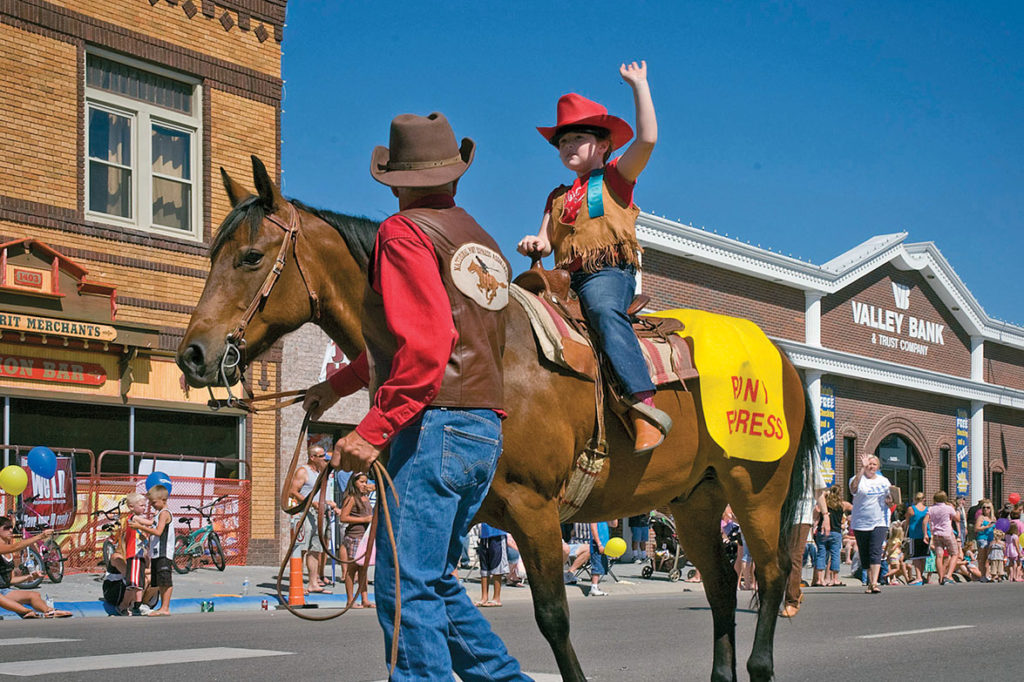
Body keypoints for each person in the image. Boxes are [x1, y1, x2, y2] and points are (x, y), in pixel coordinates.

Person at [302, 112, 527, 680]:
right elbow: (438, 338)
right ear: (454, 174)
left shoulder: (403, 233)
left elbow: (426, 348)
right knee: (432, 580)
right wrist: (336, 385)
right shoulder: (479, 240)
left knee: (404, 587)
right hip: (481, 427)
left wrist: (373, 428)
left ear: (396, 181)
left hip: (434, 429)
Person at [516, 61, 670, 454]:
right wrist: (533, 246)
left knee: (602, 311)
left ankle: (643, 404)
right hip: (564, 279)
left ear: (603, 146)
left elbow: (648, 139)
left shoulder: (616, 177)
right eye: (563, 141)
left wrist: (639, 85)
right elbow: (545, 241)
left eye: (579, 138)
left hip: (607, 274)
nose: (568, 146)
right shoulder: (556, 197)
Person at [782, 451, 827, 617]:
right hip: (783, 514)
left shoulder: (809, 457)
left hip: (802, 513)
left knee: (794, 556)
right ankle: (794, 593)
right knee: (782, 557)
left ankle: (791, 600)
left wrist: (826, 516)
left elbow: (819, 491)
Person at [0, 517, 71, 618]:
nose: (11, 530)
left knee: (34, 595)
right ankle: (26, 611)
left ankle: (49, 611)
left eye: (11, 527)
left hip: (4, 591)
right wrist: (40, 536)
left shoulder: (9, 554)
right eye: (6, 528)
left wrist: (29, 577)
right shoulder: (6, 548)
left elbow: (10, 580)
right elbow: (14, 547)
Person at [849, 454, 895, 594]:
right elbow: (854, 489)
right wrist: (861, 469)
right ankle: (870, 581)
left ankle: (874, 582)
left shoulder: (884, 481)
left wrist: (890, 502)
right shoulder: (858, 479)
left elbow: (892, 500)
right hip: (860, 521)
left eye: (874, 464)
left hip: (879, 520)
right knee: (865, 554)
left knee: (876, 551)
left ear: (878, 466)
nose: (871, 467)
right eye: (869, 464)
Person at [288, 445, 331, 594]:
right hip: (305, 513)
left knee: (315, 549)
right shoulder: (303, 471)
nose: (324, 459)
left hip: (319, 514)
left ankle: (313, 582)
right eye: (321, 456)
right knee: (302, 548)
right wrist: (309, 502)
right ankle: (297, 582)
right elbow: (292, 491)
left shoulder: (320, 473)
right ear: (312, 457)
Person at [130, 484, 174, 616]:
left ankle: (165, 607)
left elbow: (158, 531)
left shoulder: (164, 514)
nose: (152, 505)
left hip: (164, 552)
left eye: (154, 502)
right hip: (156, 552)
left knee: (165, 580)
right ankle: (162, 607)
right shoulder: (158, 514)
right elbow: (152, 525)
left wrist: (139, 526)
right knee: (159, 581)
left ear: (163, 500)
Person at [338, 472, 374, 608]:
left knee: (363, 569)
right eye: (361, 482)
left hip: (365, 536)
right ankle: (350, 600)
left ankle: (365, 599)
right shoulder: (351, 498)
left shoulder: (365, 497)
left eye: (365, 482)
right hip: (354, 536)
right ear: (354, 482)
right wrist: (363, 519)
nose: (364, 485)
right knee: (352, 569)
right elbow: (343, 517)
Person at [813, 486, 851, 587]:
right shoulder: (843, 505)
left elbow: (815, 511)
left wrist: (824, 495)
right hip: (836, 532)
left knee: (821, 554)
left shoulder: (823, 504)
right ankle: (835, 579)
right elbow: (855, 508)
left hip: (822, 531)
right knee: (835, 555)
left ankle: (819, 579)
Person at [121, 492, 151, 607]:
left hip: (139, 554)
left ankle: (137, 605)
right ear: (131, 507)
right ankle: (123, 606)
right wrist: (159, 518)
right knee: (133, 584)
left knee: (139, 583)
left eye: (145, 505)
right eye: (142, 505)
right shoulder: (133, 517)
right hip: (134, 554)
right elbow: (150, 523)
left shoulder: (137, 519)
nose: (144, 508)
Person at [923, 491, 959, 585]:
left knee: (939, 556)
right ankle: (948, 575)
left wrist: (925, 534)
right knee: (955, 553)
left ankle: (941, 577)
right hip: (947, 533)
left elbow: (924, 521)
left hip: (936, 534)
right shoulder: (948, 508)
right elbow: (957, 519)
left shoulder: (931, 509)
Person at [476, 523, 509, 607]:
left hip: (498, 534)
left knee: (497, 566)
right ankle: (484, 598)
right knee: (484, 568)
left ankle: (496, 598)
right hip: (484, 535)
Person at [902, 492, 930, 583]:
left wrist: (904, 533)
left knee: (916, 557)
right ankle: (920, 575)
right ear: (924, 499)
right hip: (926, 534)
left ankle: (918, 577)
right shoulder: (927, 509)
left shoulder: (911, 509)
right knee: (923, 556)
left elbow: (907, 521)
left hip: (915, 534)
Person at [587, 520, 617, 597]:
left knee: (600, 566)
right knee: (597, 566)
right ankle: (593, 587)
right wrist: (599, 544)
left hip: (605, 544)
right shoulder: (595, 517)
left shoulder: (604, 518)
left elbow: (614, 525)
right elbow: (593, 529)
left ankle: (595, 586)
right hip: (597, 544)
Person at [974, 499, 996, 582]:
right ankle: (983, 575)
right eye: (984, 507)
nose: (986, 509)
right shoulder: (981, 517)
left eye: (988, 507)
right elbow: (976, 528)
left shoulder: (993, 518)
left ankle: (988, 574)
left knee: (989, 558)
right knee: (983, 558)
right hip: (982, 538)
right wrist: (987, 526)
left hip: (991, 538)